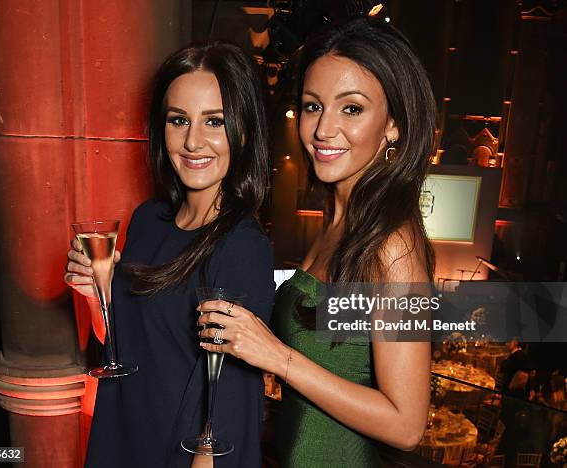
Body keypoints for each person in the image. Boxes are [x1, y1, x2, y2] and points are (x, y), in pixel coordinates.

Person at [198, 17, 436, 467]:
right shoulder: (339, 222)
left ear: (394, 126)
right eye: (312, 107)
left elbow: (407, 426)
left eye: (351, 109)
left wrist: (277, 356)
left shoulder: (394, 245)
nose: (323, 130)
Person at [64, 42, 274, 468]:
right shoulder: (147, 219)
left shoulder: (242, 246)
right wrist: (97, 292)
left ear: (245, 131)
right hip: (122, 428)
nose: (193, 141)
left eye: (214, 121)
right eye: (178, 120)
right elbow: (124, 344)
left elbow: (225, 400)